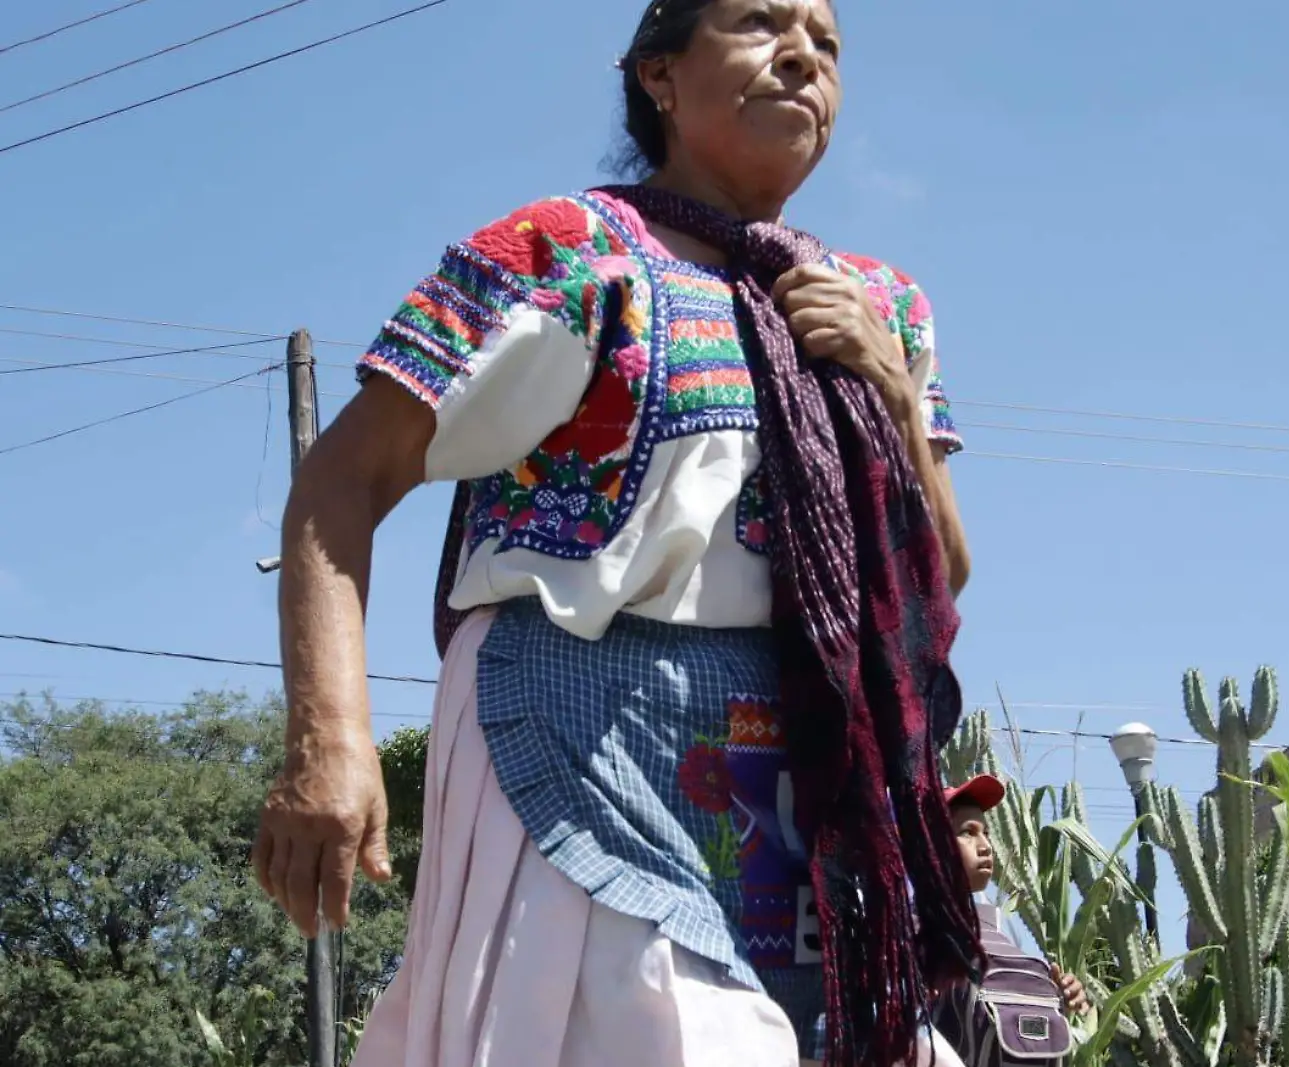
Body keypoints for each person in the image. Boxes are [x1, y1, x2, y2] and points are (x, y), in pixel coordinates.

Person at [249, 3, 987, 1065]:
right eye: (757, 22)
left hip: (807, 757)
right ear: (657, 75)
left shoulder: (882, 305)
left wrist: (886, 388)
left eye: (826, 44)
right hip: (575, 720)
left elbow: (936, 576)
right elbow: (340, 481)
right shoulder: (563, 250)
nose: (801, 57)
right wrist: (330, 741)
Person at [933, 773, 1091, 1064]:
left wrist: (1061, 999)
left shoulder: (1002, 935)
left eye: (986, 833)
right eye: (968, 832)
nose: (985, 846)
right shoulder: (911, 934)